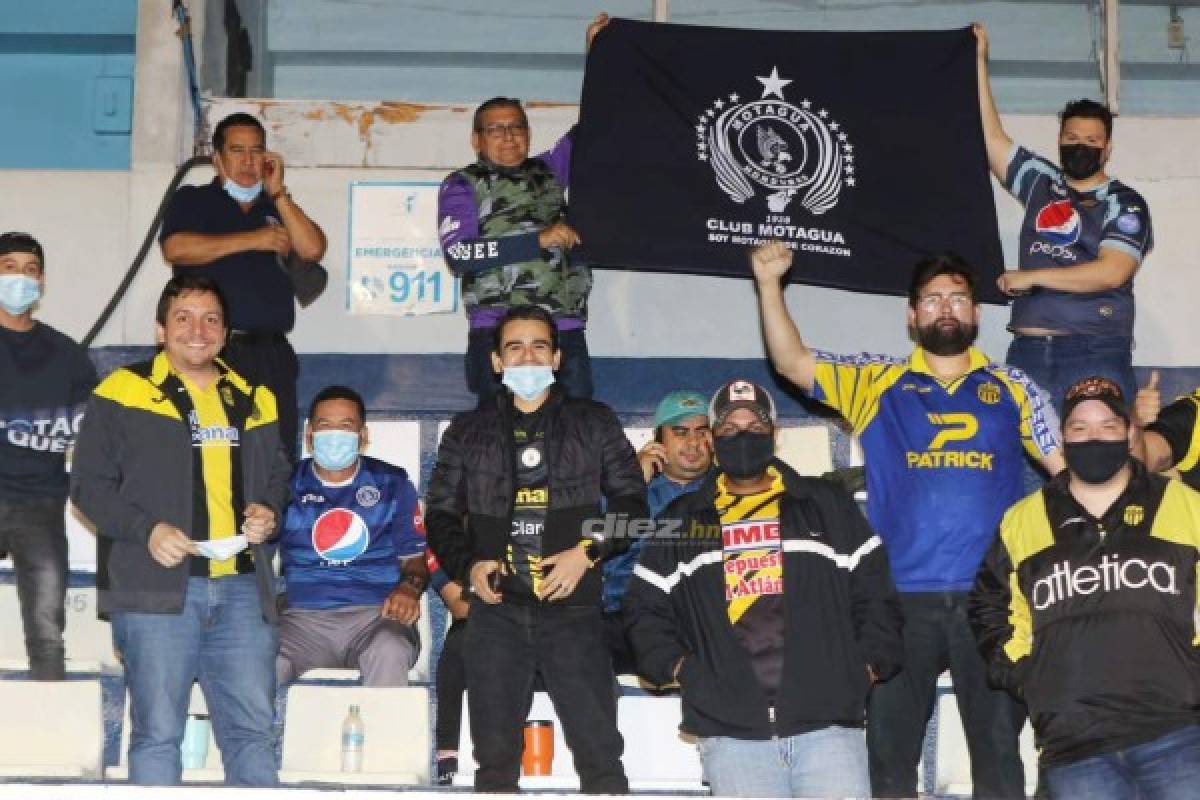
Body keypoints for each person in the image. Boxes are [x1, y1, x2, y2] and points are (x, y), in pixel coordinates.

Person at [750, 241, 1064, 798]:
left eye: (958, 298)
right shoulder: (877, 382)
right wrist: (769, 284)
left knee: (998, 759)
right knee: (888, 761)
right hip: (897, 602)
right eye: (932, 298)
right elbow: (792, 364)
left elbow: (1070, 474)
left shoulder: (1015, 388)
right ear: (911, 315)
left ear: (976, 313)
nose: (946, 307)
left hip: (990, 603)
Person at [625, 379, 903, 798]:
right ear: (714, 437)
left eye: (754, 424)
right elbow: (645, 610)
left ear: (774, 434)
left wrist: (864, 667)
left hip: (828, 730)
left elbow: (875, 592)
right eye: (730, 427)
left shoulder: (826, 505)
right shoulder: (682, 520)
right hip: (732, 736)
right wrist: (685, 672)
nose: (742, 434)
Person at [70, 274, 290, 787]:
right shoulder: (121, 390)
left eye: (211, 319)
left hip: (242, 591)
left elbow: (279, 474)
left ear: (226, 331)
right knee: (157, 733)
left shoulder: (255, 396)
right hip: (155, 592)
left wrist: (269, 512)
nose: (198, 329)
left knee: (252, 735)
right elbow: (88, 487)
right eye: (183, 317)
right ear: (160, 329)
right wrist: (145, 529)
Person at [425, 303, 647, 793]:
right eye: (515, 347)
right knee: (495, 765)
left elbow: (634, 504)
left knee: (600, 757)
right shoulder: (466, 431)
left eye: (539, 346)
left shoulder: (595, 421)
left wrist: (586, 551)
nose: (528, 357)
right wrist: (468, 567)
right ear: (497, 362)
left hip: (575, 612)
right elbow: (439, 514)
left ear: (558, 357)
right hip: (495, 613)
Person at [971, 376, 1200, 799]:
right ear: (1062, 437)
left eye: (1108, 426)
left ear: (1131, 433)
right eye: (1080, 428)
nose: (1094, 437)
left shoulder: (1183, 505)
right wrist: (1029, 676)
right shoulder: (1023, 520)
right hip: (1075, 748)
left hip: (1177, 735)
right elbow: (990, 608)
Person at [976, 24, 1153, 411]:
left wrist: (1032, 277)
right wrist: (978, 60)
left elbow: (1112, 272)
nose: (1080, 146)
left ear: (1107, 149)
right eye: (1072, 138)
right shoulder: (1041, 182)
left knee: (1097, 461)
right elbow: (991, 139)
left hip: (1094, 348)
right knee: (1028, 467)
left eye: (1091, 141)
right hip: (1028, 351)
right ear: (1059, 140)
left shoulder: (1125, 203)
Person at [436, 14, 609, 403]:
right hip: (496, 331)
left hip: (563, 330)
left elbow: (595, 126)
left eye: (516, 126)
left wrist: (598, 57)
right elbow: (459, 254)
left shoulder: (549, 169)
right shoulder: (462, 185)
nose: (508, 135)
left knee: (576, 435)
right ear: (476, 140)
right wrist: (539, 240)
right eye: (495, 129)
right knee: (497, 439)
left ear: (528, 134)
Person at [160, 111, 328, 457]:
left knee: (273, 453)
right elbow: (175, 247)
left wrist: (279, 194)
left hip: (270, 353)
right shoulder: (194, 199)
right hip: (211, 349)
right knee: (209, 451)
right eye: (238, 151)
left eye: (257, 151)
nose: (249, 161)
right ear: (218, 159)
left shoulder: (275, 206)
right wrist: (253, 240)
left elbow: (312, 249)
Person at [275, 385, 429, 688]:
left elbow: (415, 560)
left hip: (376, 617)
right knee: (254, 658)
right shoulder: (285, 485)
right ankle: (260, 738)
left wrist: (409, 589)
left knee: (391, 648)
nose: (335, 434)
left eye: (346, 426)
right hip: (301, 622)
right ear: (309, 435)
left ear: (363, 436)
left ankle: (385, 737)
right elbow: (256, 557)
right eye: (325, 425)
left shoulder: (392, 483)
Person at [0, 232, 97, 679]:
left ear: (42, 283)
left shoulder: (68, 356)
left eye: (31, 269)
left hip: (40, 500)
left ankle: (50, 721)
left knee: (47, 630)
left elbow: (93, 436)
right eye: (9, 268)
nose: (21, 278)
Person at [601, 389, 712, 677]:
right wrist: (631, 486)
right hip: (627, 620)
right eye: (680, 432)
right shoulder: (627, 491)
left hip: (705, 620)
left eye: (702, 432)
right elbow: (593, 550)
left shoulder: (729, 491)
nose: (693, 442)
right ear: (659, 440)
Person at [429, 550, 471, 786]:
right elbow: (459, 606)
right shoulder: (441, 541)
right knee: (460, 642)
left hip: (539, 619)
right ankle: (449, 759)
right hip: (479, 621)